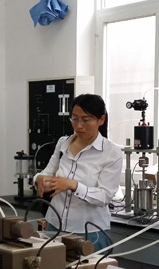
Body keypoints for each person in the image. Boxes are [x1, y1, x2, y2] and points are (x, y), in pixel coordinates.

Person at [33, 94, 123, 252]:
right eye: (74, 119)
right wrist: (39, 179)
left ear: (101, 120)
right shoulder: (63, 143)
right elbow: (47, 173)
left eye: (86, 120)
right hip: (54, 226)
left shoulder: (111, 152)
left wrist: (73, 185)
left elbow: (105, 196)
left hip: (90, 233)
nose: (79, 125)